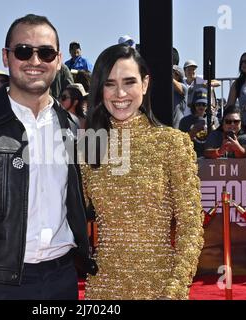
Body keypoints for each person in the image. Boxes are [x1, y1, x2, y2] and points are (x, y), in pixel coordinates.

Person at [0, 14, 96, 300]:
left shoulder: (72, 126)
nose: (35, 61)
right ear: (6, 56)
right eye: (24, 51)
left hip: (63, 280)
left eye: (46, 53)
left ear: (59, 60)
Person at [81, 44, 204, 300]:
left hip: (159, 286)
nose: (120, 93)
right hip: (103, 288)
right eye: (110, 83)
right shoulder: (88, 149)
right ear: (99, 88)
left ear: (145, 84)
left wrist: (174, 290)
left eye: (129, 82)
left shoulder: (172, 144)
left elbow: (190, 226)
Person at [179, 87, 219, 158]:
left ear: (208, 105)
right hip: (191, 157)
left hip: (209, 158)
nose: (201, 107)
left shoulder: (214, 119)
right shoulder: (185, 121)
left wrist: (212, 123)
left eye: (204, 104)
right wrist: (194, 130)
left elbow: (217, 140)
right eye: (198, 104)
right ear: (194, 105)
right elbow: (181, 143)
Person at [227, 51, 246, 125]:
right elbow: (229, 107)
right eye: (242, 62)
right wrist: (244, 108)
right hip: (244, 125)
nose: (243, 64)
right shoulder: (237, 84)